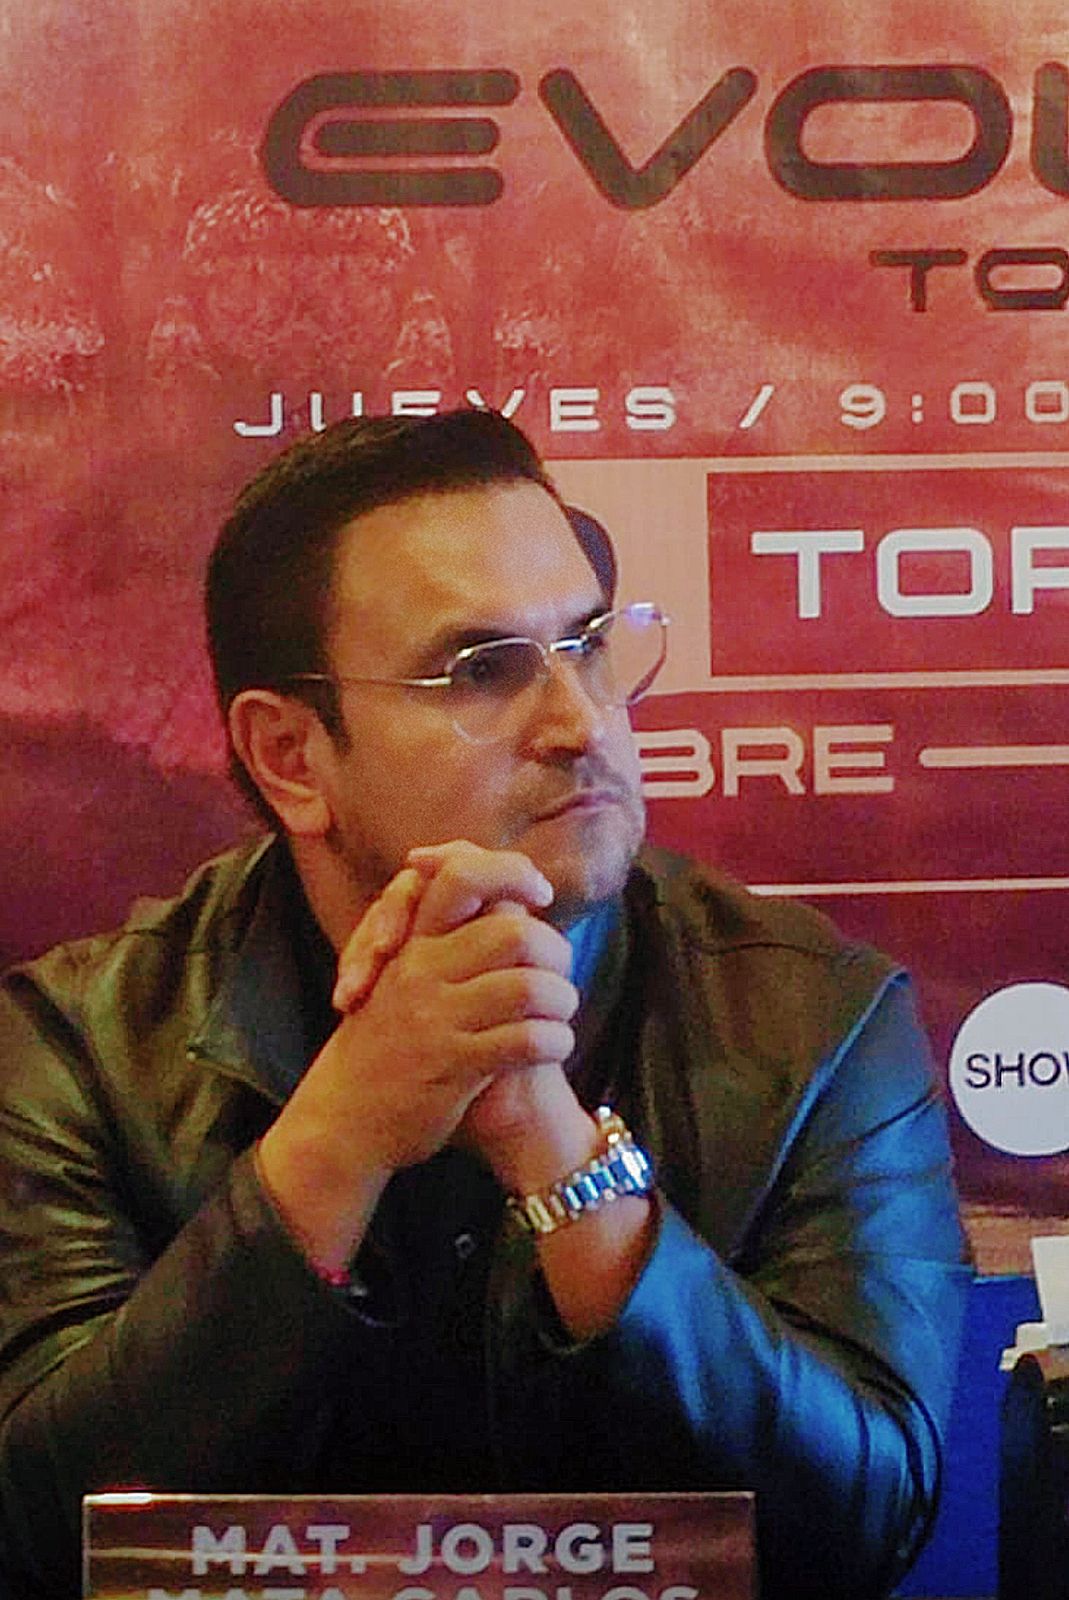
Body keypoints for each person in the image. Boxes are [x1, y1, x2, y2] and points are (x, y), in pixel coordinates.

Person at [0, 409, 968, 1600]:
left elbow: (862, 1528)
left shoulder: (816, 1020)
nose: (580, 721)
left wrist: (554, 1146)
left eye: (588, 644)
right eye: (484, 669)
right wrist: (338, 1137)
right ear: (291, 756)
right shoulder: (78, 1045)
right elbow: (37, 1539)